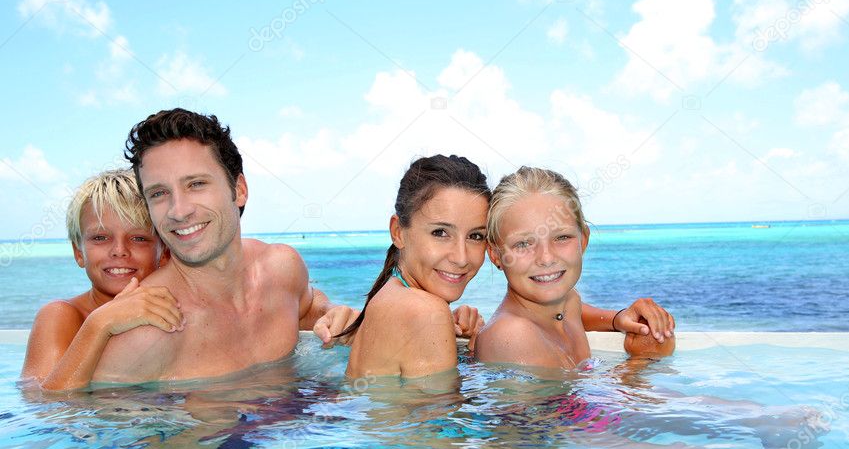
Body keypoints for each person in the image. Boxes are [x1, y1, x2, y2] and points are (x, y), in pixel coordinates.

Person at [92, 108, 356, 382]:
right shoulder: (147, 333)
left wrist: (331, 314)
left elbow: (307, 305)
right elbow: (88, 416)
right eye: (159, 193)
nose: (178, 211)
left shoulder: (282, 268)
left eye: (196, 184)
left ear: (239, 189)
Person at [475, 166, 675, 368]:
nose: (546, 258)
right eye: (523, 243)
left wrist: (618, 318)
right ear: (495, 255)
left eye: (562, 237)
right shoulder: (512, 336)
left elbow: (574, 311)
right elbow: (574, 400)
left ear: (583, 240)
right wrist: (645, 359)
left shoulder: (568, 301)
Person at [22, 169, 182, 390]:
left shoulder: (176, 311)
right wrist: (100, 323)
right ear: (79, 253)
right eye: (100, 238)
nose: (119, 251)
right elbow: (45, 407)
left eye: (138, 238)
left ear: (164, 252)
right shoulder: (61, 315)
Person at [339, 154, 490, 378]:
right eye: (440, 233)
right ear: (398, 232)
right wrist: (480, 357)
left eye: (476, 236)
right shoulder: (425, 312)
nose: (461, 257)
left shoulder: (391, 297)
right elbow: (442, 412)